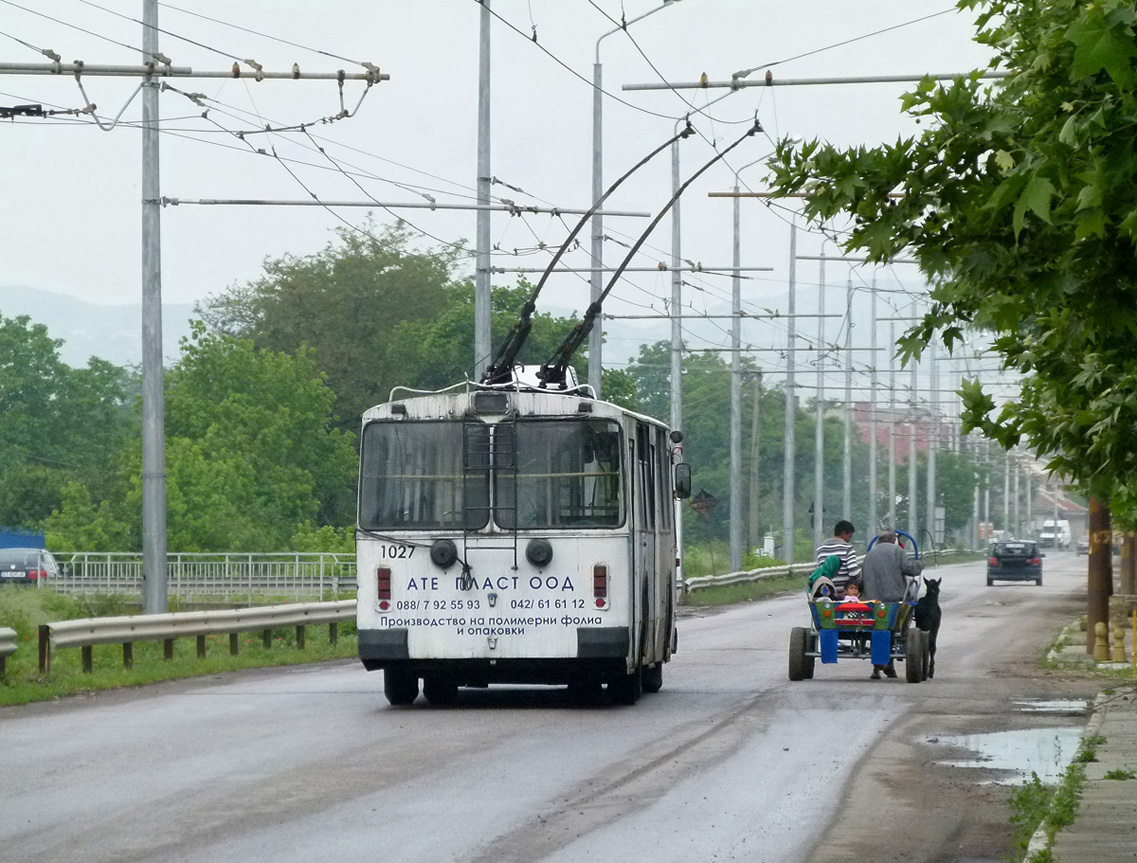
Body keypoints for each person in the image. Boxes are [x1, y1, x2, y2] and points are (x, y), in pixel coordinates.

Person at [861, 527, 924, 680]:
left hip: (872, 602)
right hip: (894, 601)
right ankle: (888, 663)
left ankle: (878, 666)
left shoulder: (870, 554)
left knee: (877, 627)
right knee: (895, 628)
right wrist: (919, 565)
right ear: (892, 539)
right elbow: (909, 569)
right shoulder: (897, 551)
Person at [815, 519, 861, 600]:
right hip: (844, 596)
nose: (849, 540)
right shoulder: (847, 548)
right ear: (844, 533)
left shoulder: (820, 549)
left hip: (826, 593)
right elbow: (854, 573)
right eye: (849, 536)